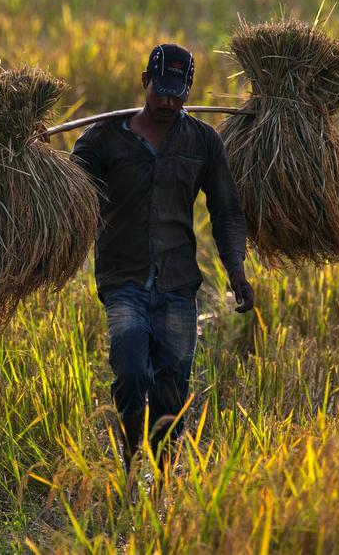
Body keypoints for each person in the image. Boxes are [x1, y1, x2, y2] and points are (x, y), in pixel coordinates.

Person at [69, 42, 254, 475]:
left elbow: (226, 210)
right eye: (161, 91)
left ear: (189, 90)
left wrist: (236, 270)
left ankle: (165, 478)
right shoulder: (104, 138)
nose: (169, 102)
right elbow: (68, 192)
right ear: (144, 82)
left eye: (178, 94)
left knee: (172, 389)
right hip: (124, 278)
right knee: (132, 370)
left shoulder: (202, 141)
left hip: (177, 282)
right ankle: (133, 463)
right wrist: (40, 158)